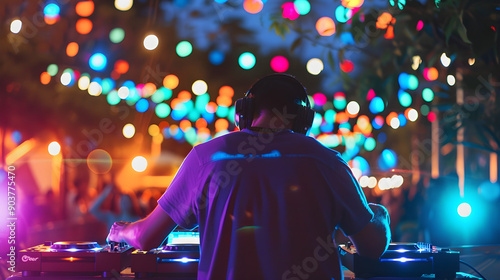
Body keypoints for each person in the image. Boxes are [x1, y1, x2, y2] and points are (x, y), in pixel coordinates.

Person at [107, 73, 391, 279]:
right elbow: (372, 247)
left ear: (244, 113)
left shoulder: (205, 158)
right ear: (304, 120)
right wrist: (378, 214)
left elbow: (146, 238)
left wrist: (121, 230)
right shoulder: (326, 161)